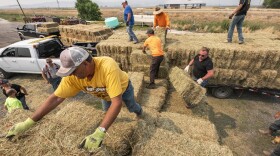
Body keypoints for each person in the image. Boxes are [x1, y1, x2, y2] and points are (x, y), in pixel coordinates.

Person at [6, 47, 143, 152]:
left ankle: (140, 113)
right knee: (106, 112)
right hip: (102, 94)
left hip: (123, 89)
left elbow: (117, 102)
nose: (72, 76)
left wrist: (100, 131)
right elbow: (56, 98)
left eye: (74, 71)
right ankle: (110, 125)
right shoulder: (72, 77)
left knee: (131, 106)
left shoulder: (107, 66)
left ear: (85, 63)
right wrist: (28, 123)